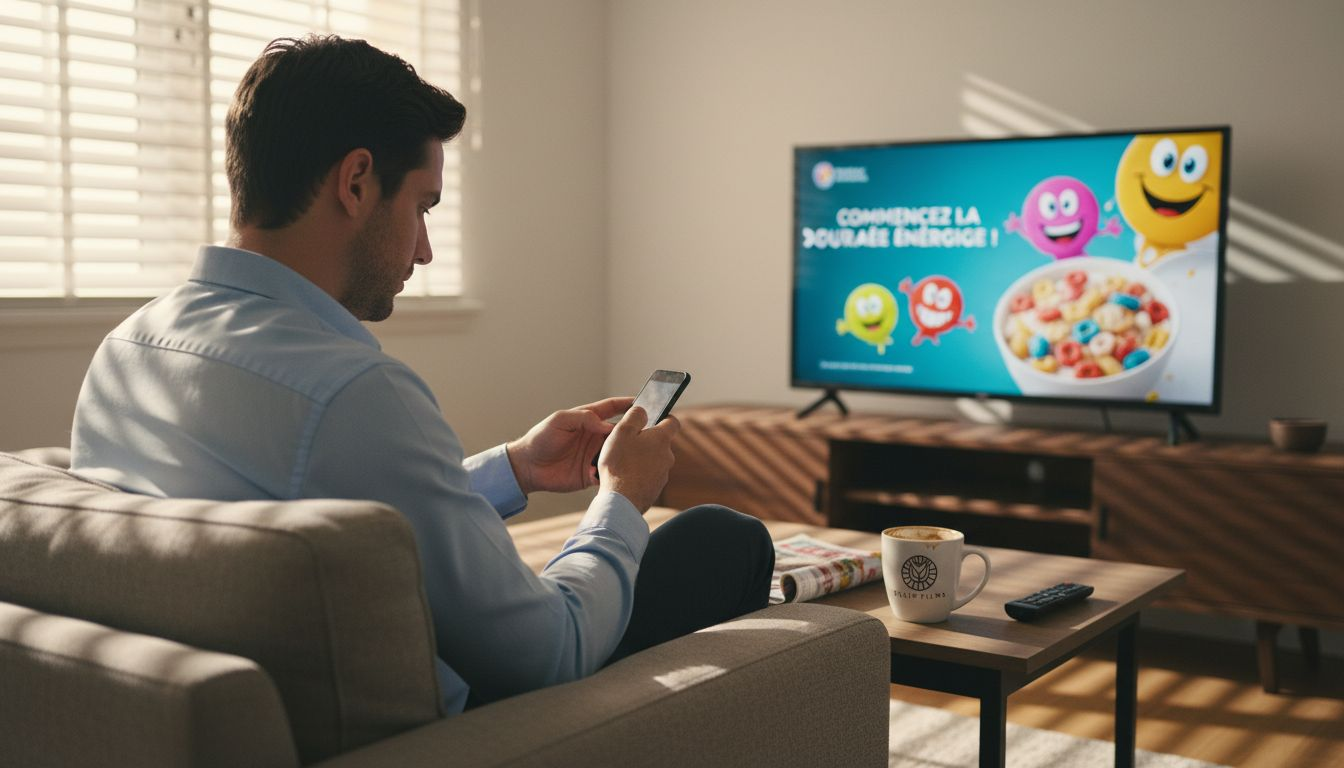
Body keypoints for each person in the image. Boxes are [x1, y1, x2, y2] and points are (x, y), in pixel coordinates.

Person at [69, 35, 773, 713]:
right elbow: (552, 651)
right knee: (723, 538)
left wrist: (517, 469)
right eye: (422, 207)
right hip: (474, 725)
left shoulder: (128, 350)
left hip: (259, 701)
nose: (427, 249)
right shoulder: (350, 392)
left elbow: (322, 528)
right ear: (355, 182)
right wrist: (622, 497)